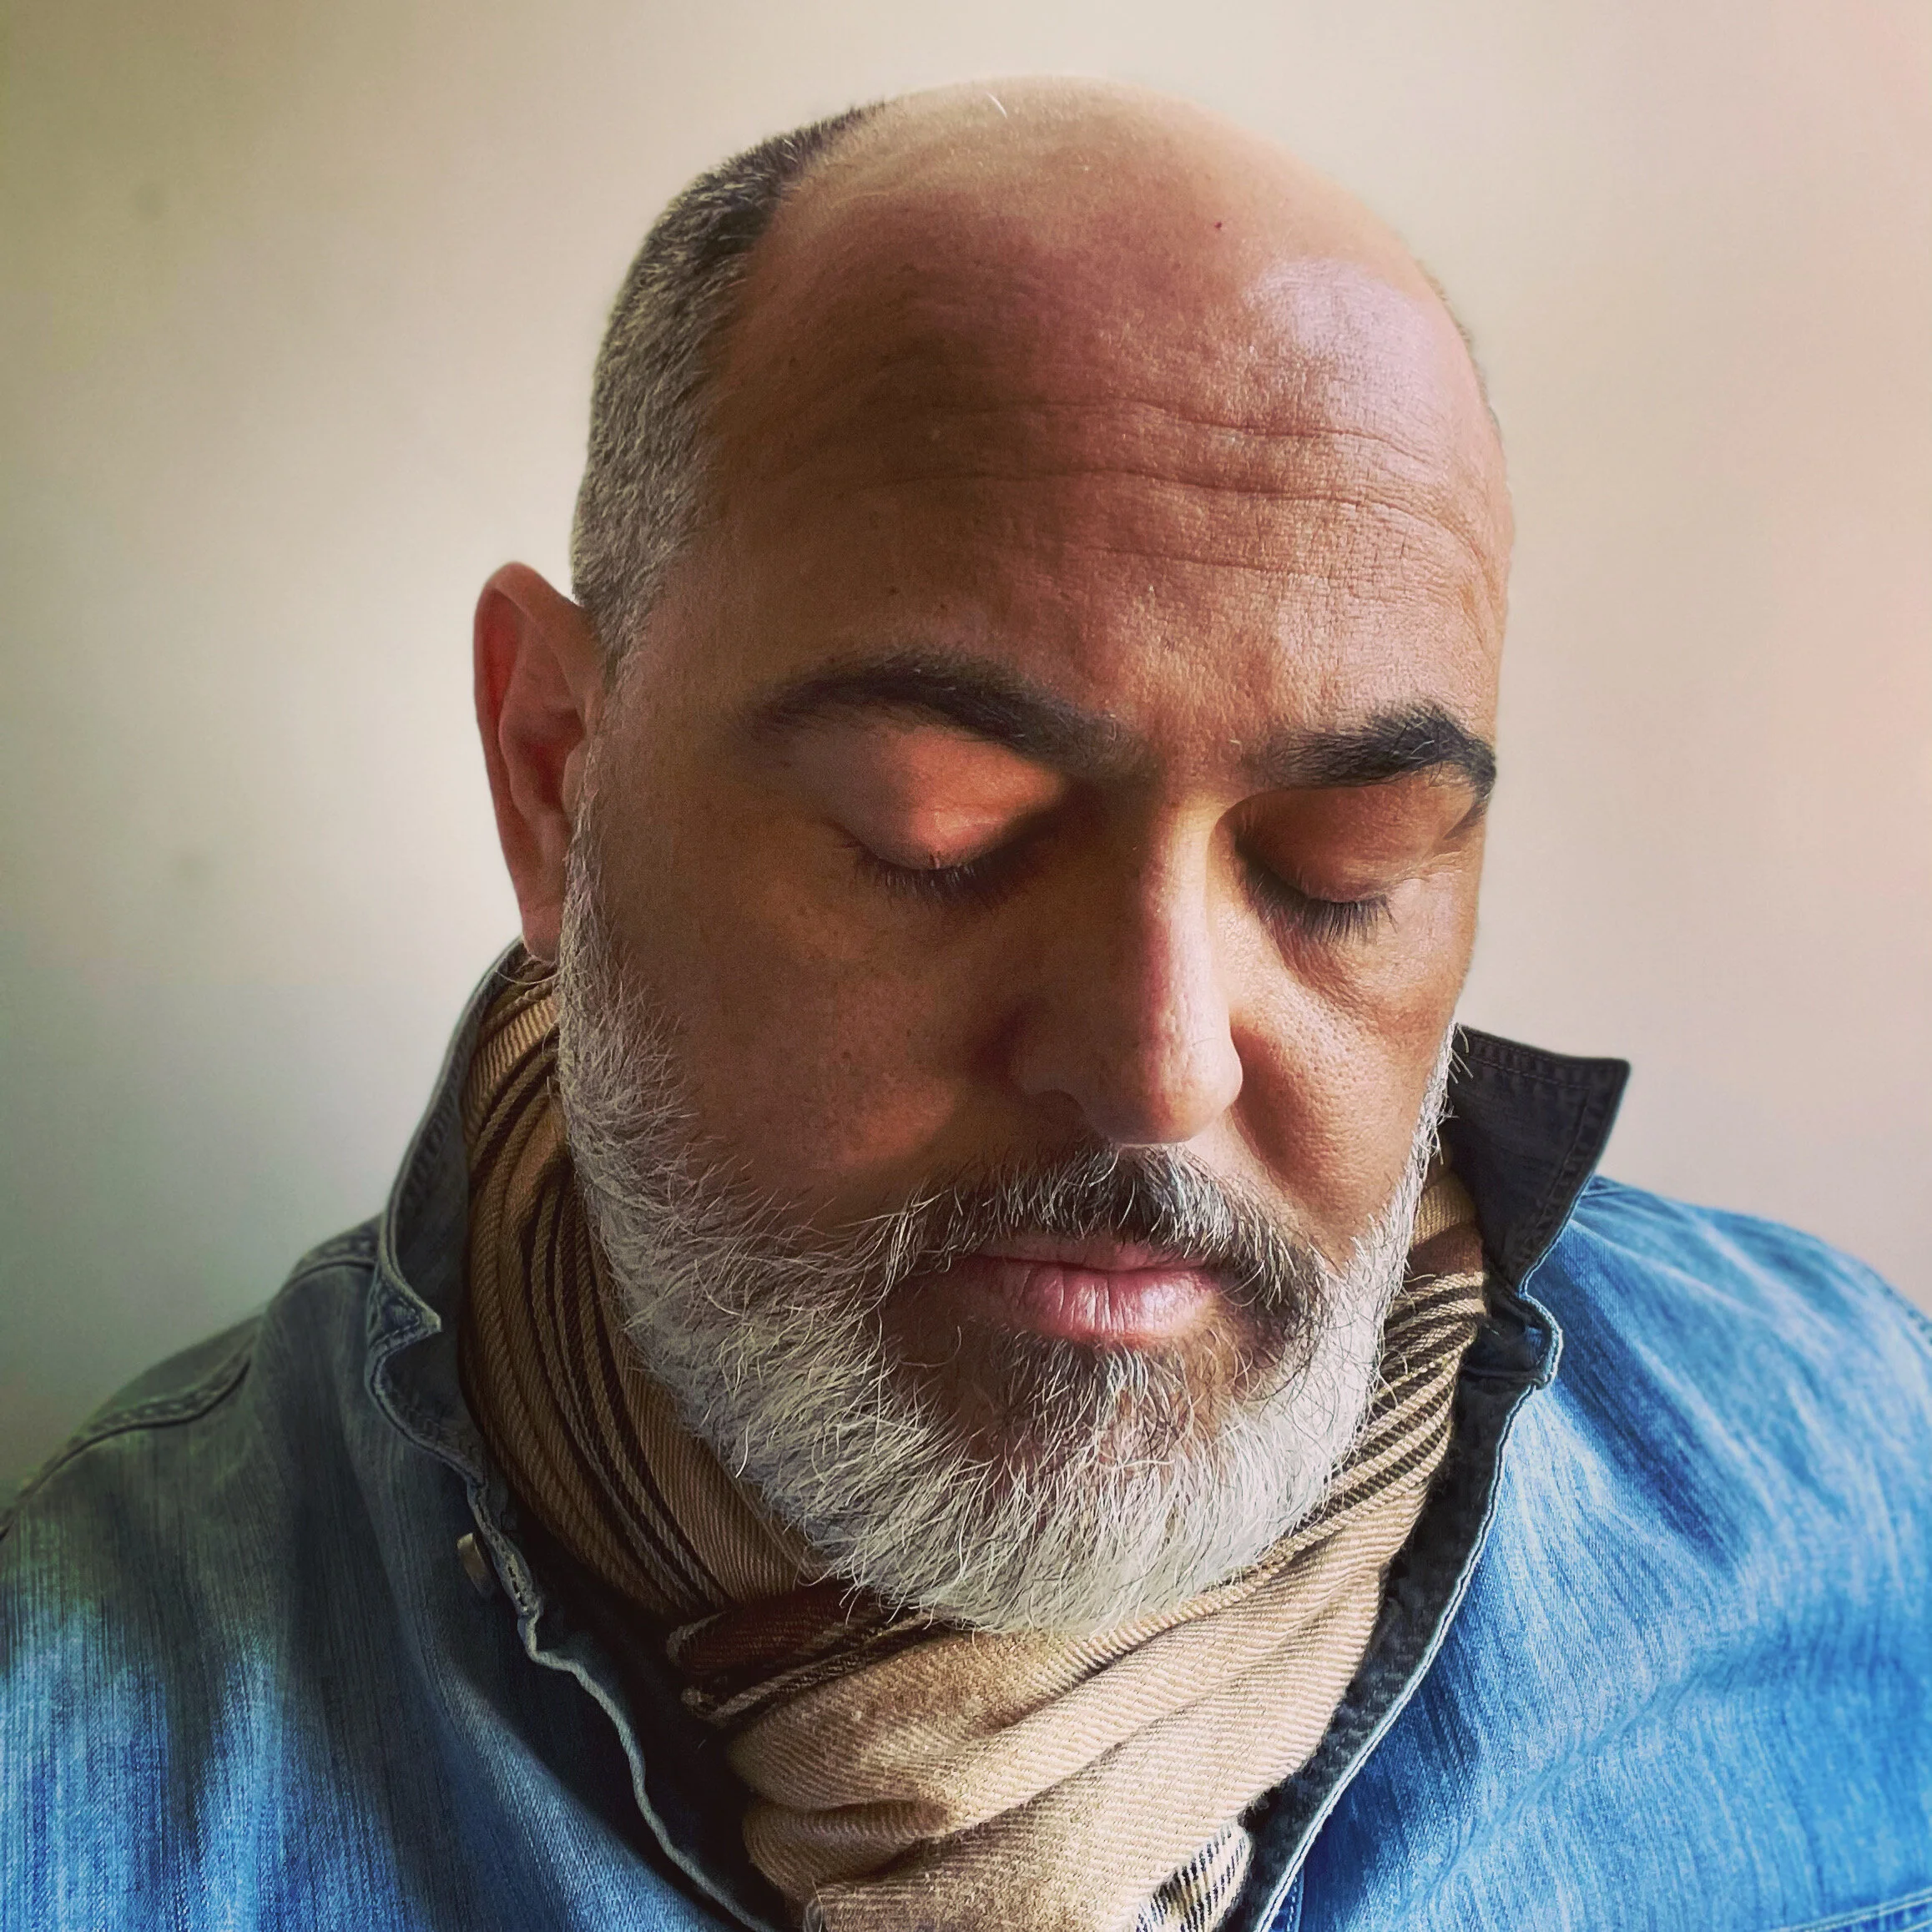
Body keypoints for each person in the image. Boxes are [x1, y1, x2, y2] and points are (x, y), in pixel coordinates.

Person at [3, 78, 1927, 1932]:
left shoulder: (1859, 1473)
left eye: (1339, 870)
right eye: (939, 833)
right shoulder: (72, 1783)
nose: (1157, 1064)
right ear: (557, 776)